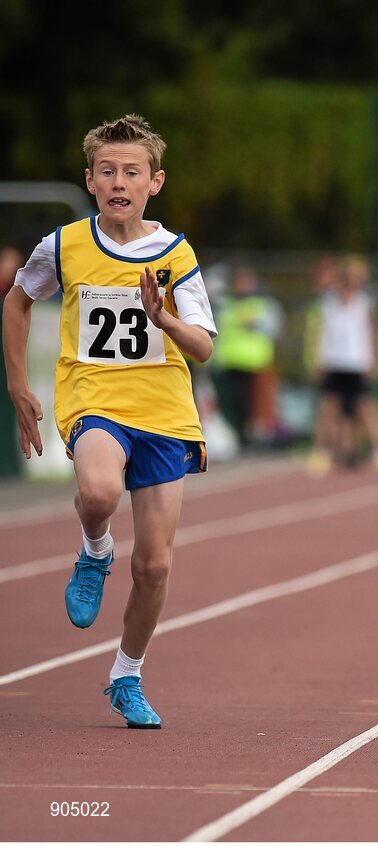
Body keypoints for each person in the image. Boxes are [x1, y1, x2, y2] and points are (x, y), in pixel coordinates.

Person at [2, 115, 217, 728]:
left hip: (166, 412)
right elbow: (18, 301)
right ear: (90, 181)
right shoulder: (64, 245)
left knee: (154, 565)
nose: (118, 181)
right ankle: (95, 550)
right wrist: (18, 383)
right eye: (107, 171)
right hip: (94, 400)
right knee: (98, 491)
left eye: (132, 172)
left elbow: (202, 347)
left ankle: (127, 674)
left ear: (156, 182)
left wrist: (165, 318)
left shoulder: (177, 254)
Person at [306, 254, 378, 479]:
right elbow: (322, 333)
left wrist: (375, 359)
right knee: (329, 408)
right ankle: (322, 453)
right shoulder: (327, 303)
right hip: (334, 362)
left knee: (367, 408)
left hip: (357, 362)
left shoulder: (364, 303)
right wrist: (317, 358)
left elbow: (373, 332)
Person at [210, 265, 283, 446]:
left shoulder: (263, 305)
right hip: (229, 364)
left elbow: (274, 330)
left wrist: (255, 323)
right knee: (232, 405)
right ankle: (240, 438)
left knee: (254, 407)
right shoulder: (226, 304)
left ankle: (253, 439)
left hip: (254, 363)